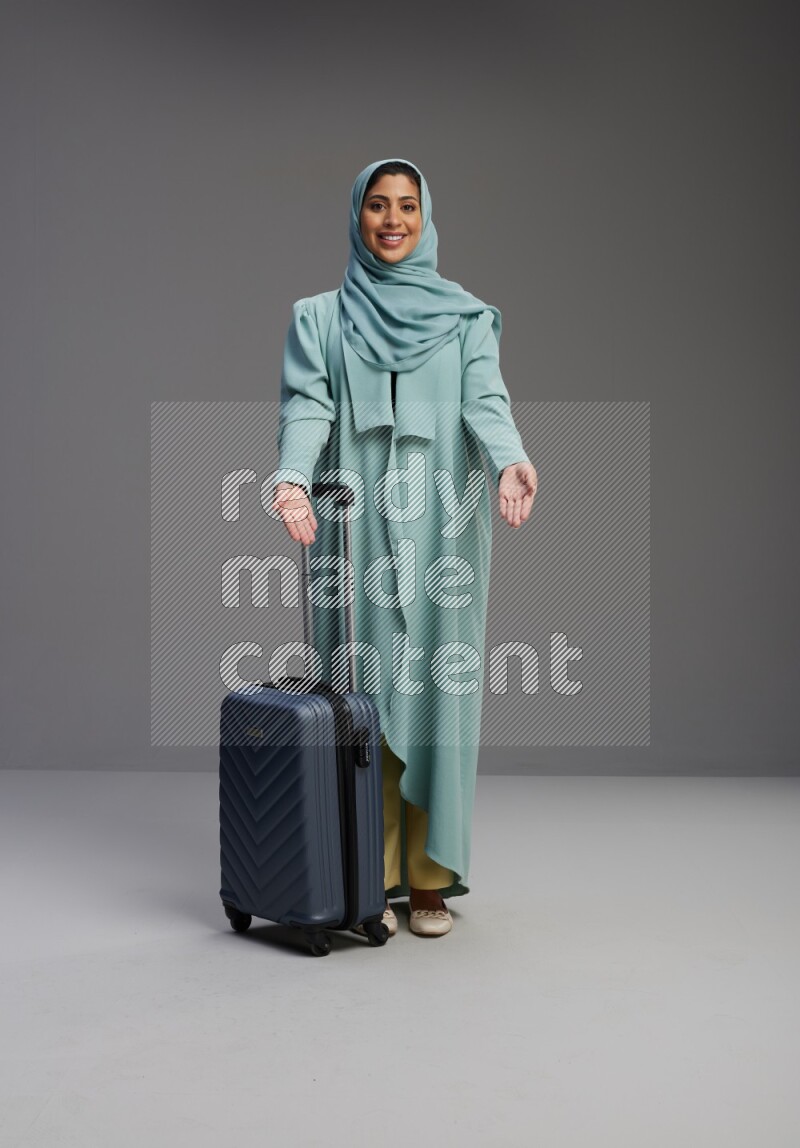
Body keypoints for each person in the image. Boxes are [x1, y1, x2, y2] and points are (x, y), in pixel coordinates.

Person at [270, 158, 537, 938]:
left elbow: (487, 399)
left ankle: (427, 880)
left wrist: (511, 456)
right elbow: (307, 405)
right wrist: (290, 478)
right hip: (348, 521)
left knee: (437, 695)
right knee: (359, 701)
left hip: (443, 523)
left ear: (426, 219)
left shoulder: (467, 320)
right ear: (357, 216)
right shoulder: (318, 317)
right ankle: (365, 876)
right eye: (378, 206)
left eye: (408, 207)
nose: (392, 220)